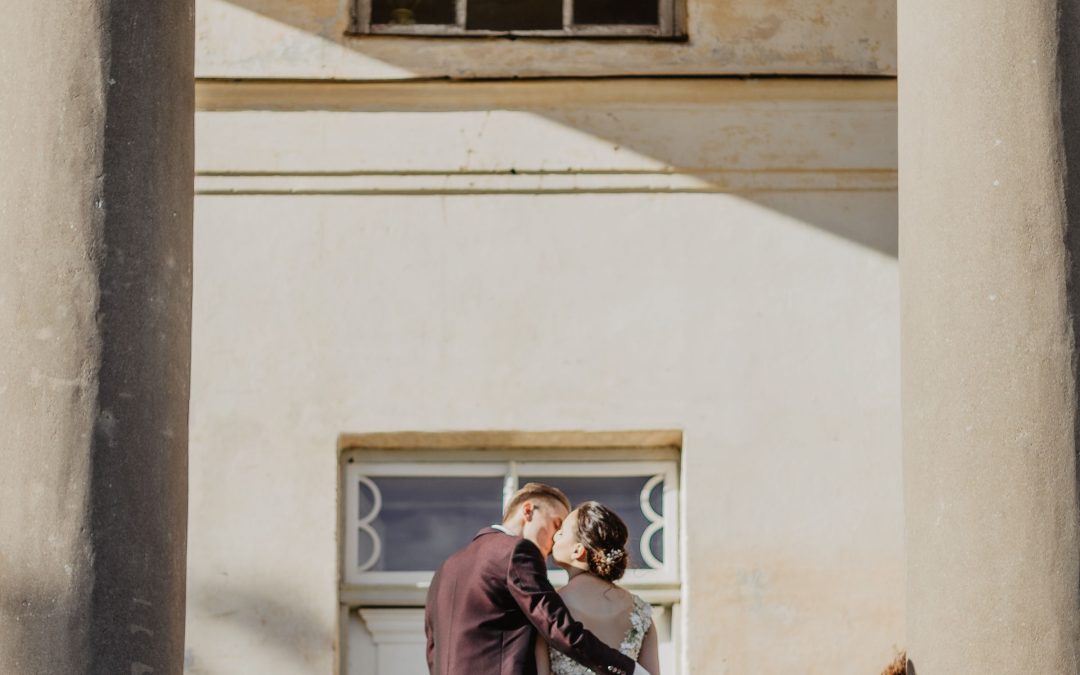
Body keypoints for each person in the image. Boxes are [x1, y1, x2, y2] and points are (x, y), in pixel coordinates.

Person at [425, 483, 651, 675]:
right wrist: (628, 668)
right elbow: (556, 626)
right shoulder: (516, 551)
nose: (555, 539)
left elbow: (433, 651)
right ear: (528, 511)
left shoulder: (444, 569)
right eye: (556, 524)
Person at [535, 502, 660, 675]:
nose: (555, 536)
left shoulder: (548, 608)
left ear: (578, 551)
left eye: (561, 533)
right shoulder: (639, 612)